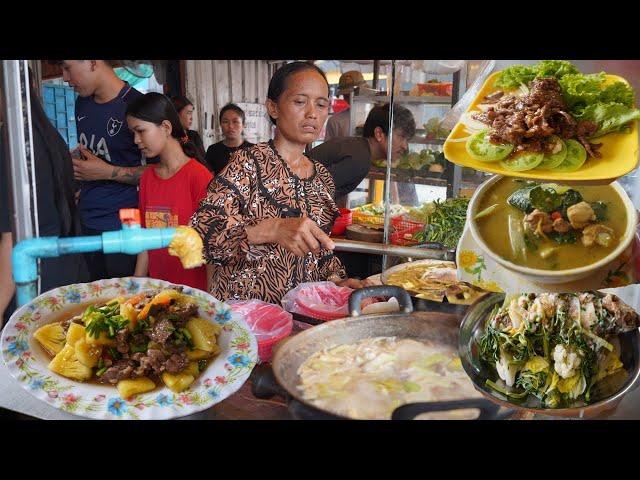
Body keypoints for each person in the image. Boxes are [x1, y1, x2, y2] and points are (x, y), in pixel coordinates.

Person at [190, 61, 364, 304]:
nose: (312, 113)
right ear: (273, 108)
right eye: (300, 101)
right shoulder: (247, 164)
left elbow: (319, 253)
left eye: (321, 104)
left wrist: (336, 281)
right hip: (249, 323)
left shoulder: (322, 177)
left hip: (303, 317)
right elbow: (201, 237)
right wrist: (271, 229)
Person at [55, 59, 158, 282]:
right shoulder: (82, 103)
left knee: (125, 298)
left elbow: (160, 171)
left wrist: (106, 172)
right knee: (94, 297)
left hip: (127, 220)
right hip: (87, 219)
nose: (64, 77)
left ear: (92, 62)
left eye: (67, 68)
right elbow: (95, 156)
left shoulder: (137, 106)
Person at [1, 70, 89, 326]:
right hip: (63, 273)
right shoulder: (50, 136)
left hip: (31, 280)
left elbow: (12, 239)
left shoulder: (14, 146)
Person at [126, 93, 213, 291]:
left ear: (165, 127)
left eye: (140, 131)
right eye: (132, 132)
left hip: (194, 293)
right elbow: (145, 240)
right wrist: (136, 284)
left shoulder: (198, 176)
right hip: (158, 290)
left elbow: (211, 247)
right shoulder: (148, 178)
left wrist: (212, 299)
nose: (136, 140)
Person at [310, 102, 416, 205]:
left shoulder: (359, 149)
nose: (405, 146)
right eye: (402, 137)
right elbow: (309, 193)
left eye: (408, 140)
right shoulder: (359, 160)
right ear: (379, 134)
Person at [204, 103, 254, 174]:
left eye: (235, 121)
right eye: (225, 122)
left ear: (243, 125)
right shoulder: (213, 150)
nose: (230, 126)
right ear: (220, 124)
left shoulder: (253, 150)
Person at [324, 70, 368, 141]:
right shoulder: (335, 121)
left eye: (356, 94)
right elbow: (328, 149)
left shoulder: (375, 115)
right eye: (347, 95)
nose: (351, 98)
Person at [170, 95, 206, 161]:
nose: (191, 118)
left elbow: (203, 161)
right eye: (189, 113)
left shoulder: (194, 136)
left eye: (191, 114)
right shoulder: (167, 138)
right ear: (176, 114)